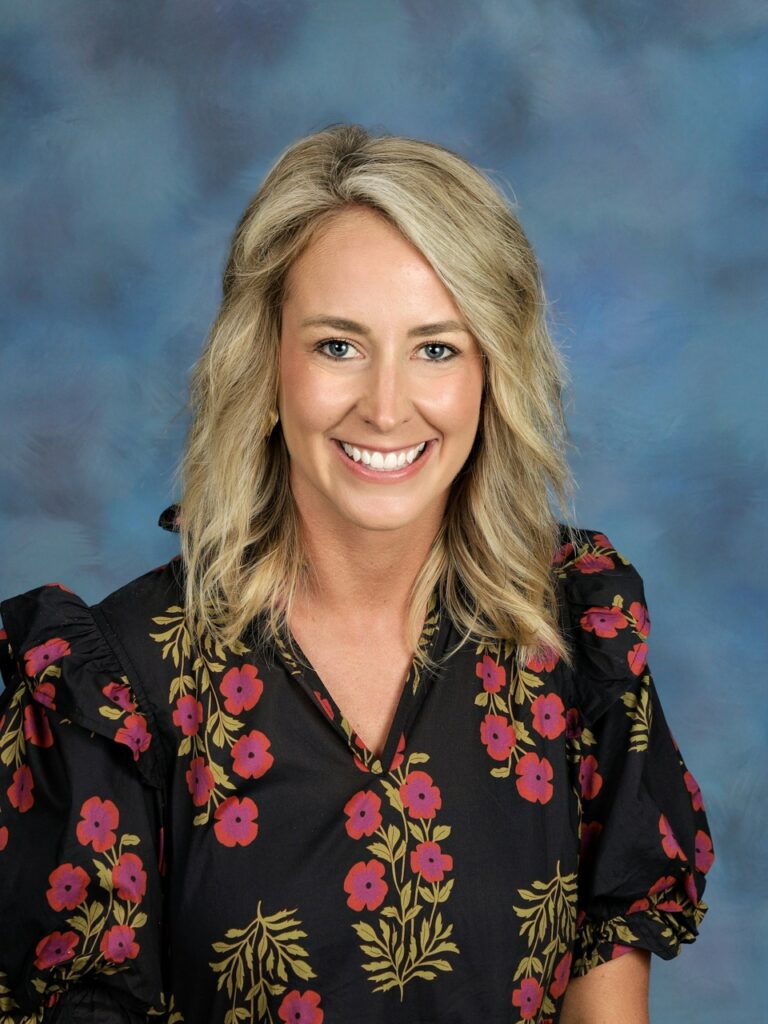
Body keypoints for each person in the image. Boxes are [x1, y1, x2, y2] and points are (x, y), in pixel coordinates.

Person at [0, 124, 714, 1024]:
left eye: (436, 348)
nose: (384, 407)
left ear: (492, 373)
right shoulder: (117, 692)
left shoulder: (576, 638)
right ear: (266, 362)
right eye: (338, 345)